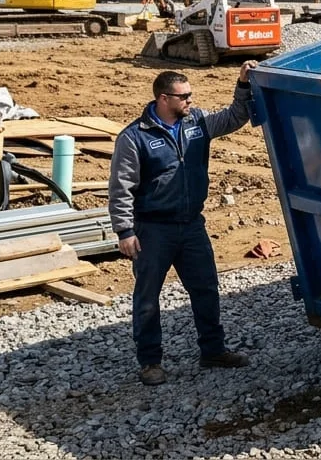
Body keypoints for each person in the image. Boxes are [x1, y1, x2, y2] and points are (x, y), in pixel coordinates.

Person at [108, 62, 259, 385]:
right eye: (184, 96)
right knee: (148, 297)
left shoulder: (198, 123)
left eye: (191, 95)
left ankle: (213, 350)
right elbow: (121, 187)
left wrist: (243, 84)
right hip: (153, 230)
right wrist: (125, 231)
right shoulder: (135, 138)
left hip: (191, 226)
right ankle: (150, 362)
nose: (190, 101)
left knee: (205, 288)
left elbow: (234, 117)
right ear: (164, 99)